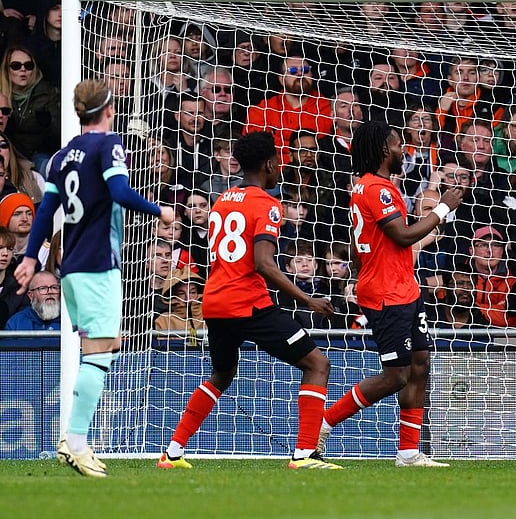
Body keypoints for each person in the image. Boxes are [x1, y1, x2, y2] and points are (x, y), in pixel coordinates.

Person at [13, 80, 173, 478]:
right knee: (99, 353)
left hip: (71, 266)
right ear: (109, 109)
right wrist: (160, 211)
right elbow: (120, 191)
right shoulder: (108, 144)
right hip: (98, 264)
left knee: (105, 345)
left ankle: (74, 439)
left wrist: (31, 258)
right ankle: (76, 441)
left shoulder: (62, 156)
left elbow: (46, 209)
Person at [156, 131, 339, 471]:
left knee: (222, 374)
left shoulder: (223, 200)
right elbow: (264, 263)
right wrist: (307, 300)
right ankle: (305, 454)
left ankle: (173, 452)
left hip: (215, 302)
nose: (279, 166)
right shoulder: (268, 205)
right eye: (277, 161)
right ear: (269, 164)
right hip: (248, 304)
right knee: (317, 365)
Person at [317, 120, 464, 468]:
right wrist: (442, 208)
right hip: (387, 294)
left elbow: (370, 241)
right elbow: (402, 235)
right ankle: (324, 423)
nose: (403, 150)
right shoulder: (376, 189)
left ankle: (409, 453)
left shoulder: (373, 187)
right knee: (396, 375)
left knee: (420, 364)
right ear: (385, 149)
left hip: (404, 288)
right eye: (398, 145)